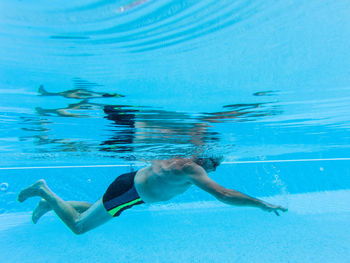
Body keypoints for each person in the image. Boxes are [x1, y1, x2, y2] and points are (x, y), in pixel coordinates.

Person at [17, 157, 287, 235]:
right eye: (215, 165)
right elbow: (224, 194)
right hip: (130, 192)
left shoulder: (180, 159)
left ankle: (49, 204)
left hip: (128, 187)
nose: (214, 170)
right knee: (79, 225)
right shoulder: (192, 169)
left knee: (103, 210)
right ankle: (44, 191)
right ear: (207, 158)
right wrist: (260, 204)